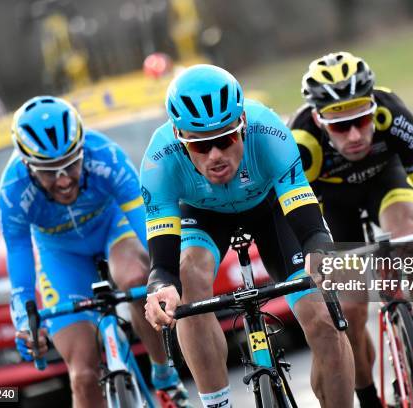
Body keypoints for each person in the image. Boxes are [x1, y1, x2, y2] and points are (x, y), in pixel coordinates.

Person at [142, 64, 355, 408]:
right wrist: (160, 285)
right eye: (199, 146)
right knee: (187, 277)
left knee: (324, 319)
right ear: (180, 141)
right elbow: (162, 253)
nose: (215, 156)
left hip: (270, 208)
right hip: (204, 214)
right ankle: (217, 404)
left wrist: (318, 248)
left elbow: (304, 213)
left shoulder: (267, 130)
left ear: (242, 126)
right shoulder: (158, 158)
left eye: (225, 140)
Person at [289, 51, 413, 407]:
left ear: (372, 106)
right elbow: (292, 218)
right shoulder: (300, 142)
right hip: (332, 203)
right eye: (340, 126)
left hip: (384, 183)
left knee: (408, 236)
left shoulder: (391, 113)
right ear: (318, 118)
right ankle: (369, 398)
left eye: (361, 120)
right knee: (352, 308)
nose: (355, 134)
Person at [0, 96, 191, 408]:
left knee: (137, 277)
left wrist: (166, 275)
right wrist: (24, 321)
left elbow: (147, 226)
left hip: (112, 230)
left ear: (83, 150)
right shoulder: (11, 191)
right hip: (60, 255)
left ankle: (164, 378)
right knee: (83, 375)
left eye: (71, 164)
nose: (62, 180)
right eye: (48, 171)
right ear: (27, 165)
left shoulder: (105, 156)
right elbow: (18, 258)